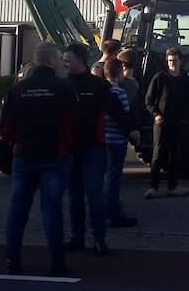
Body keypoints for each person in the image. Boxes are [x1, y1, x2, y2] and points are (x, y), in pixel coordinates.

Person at [1, 42, 77, 275]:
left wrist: (16, 144)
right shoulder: (63, 88)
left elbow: (6, 125)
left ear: (35, 61)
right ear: (53, 61)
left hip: (24, 155)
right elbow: (72, 124)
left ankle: (12, 260)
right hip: (54, 155)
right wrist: (68, 148)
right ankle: (56, 261)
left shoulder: (17, 89)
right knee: (52, 210)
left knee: (18, 209)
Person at [63, 43, 132, 256]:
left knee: (93, 192)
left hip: (93, 147)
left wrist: (130, 130)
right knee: (75, 195)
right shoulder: (63, 85)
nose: (65, 62)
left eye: (68, 59)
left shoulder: (98, 86)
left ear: (80, 60)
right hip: (71, 149)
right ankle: (77, 237)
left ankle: (99, 238)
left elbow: (118, 111)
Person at [144, 48, 189, 199]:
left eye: (175, 61)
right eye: (170, 61)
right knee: (158, 154)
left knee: (174, 155)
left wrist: (185, 118)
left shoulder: (185, 78)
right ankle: (153, 187)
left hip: (177, 122)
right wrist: (156, 114)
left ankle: (172, 187)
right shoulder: (160, 78)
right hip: (162, 121)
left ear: (180, 61)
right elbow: (149, 100)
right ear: (167, 61)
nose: (173, 64)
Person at [102, 59, 140, 228]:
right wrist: (132, 134)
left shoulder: (101, 91)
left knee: (103, 176)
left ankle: (102, 209)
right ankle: (112, 212)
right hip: (116, 141)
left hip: (103, 140)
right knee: (113, 178)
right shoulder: (120, 93)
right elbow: (124, 117)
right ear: (119, 73)